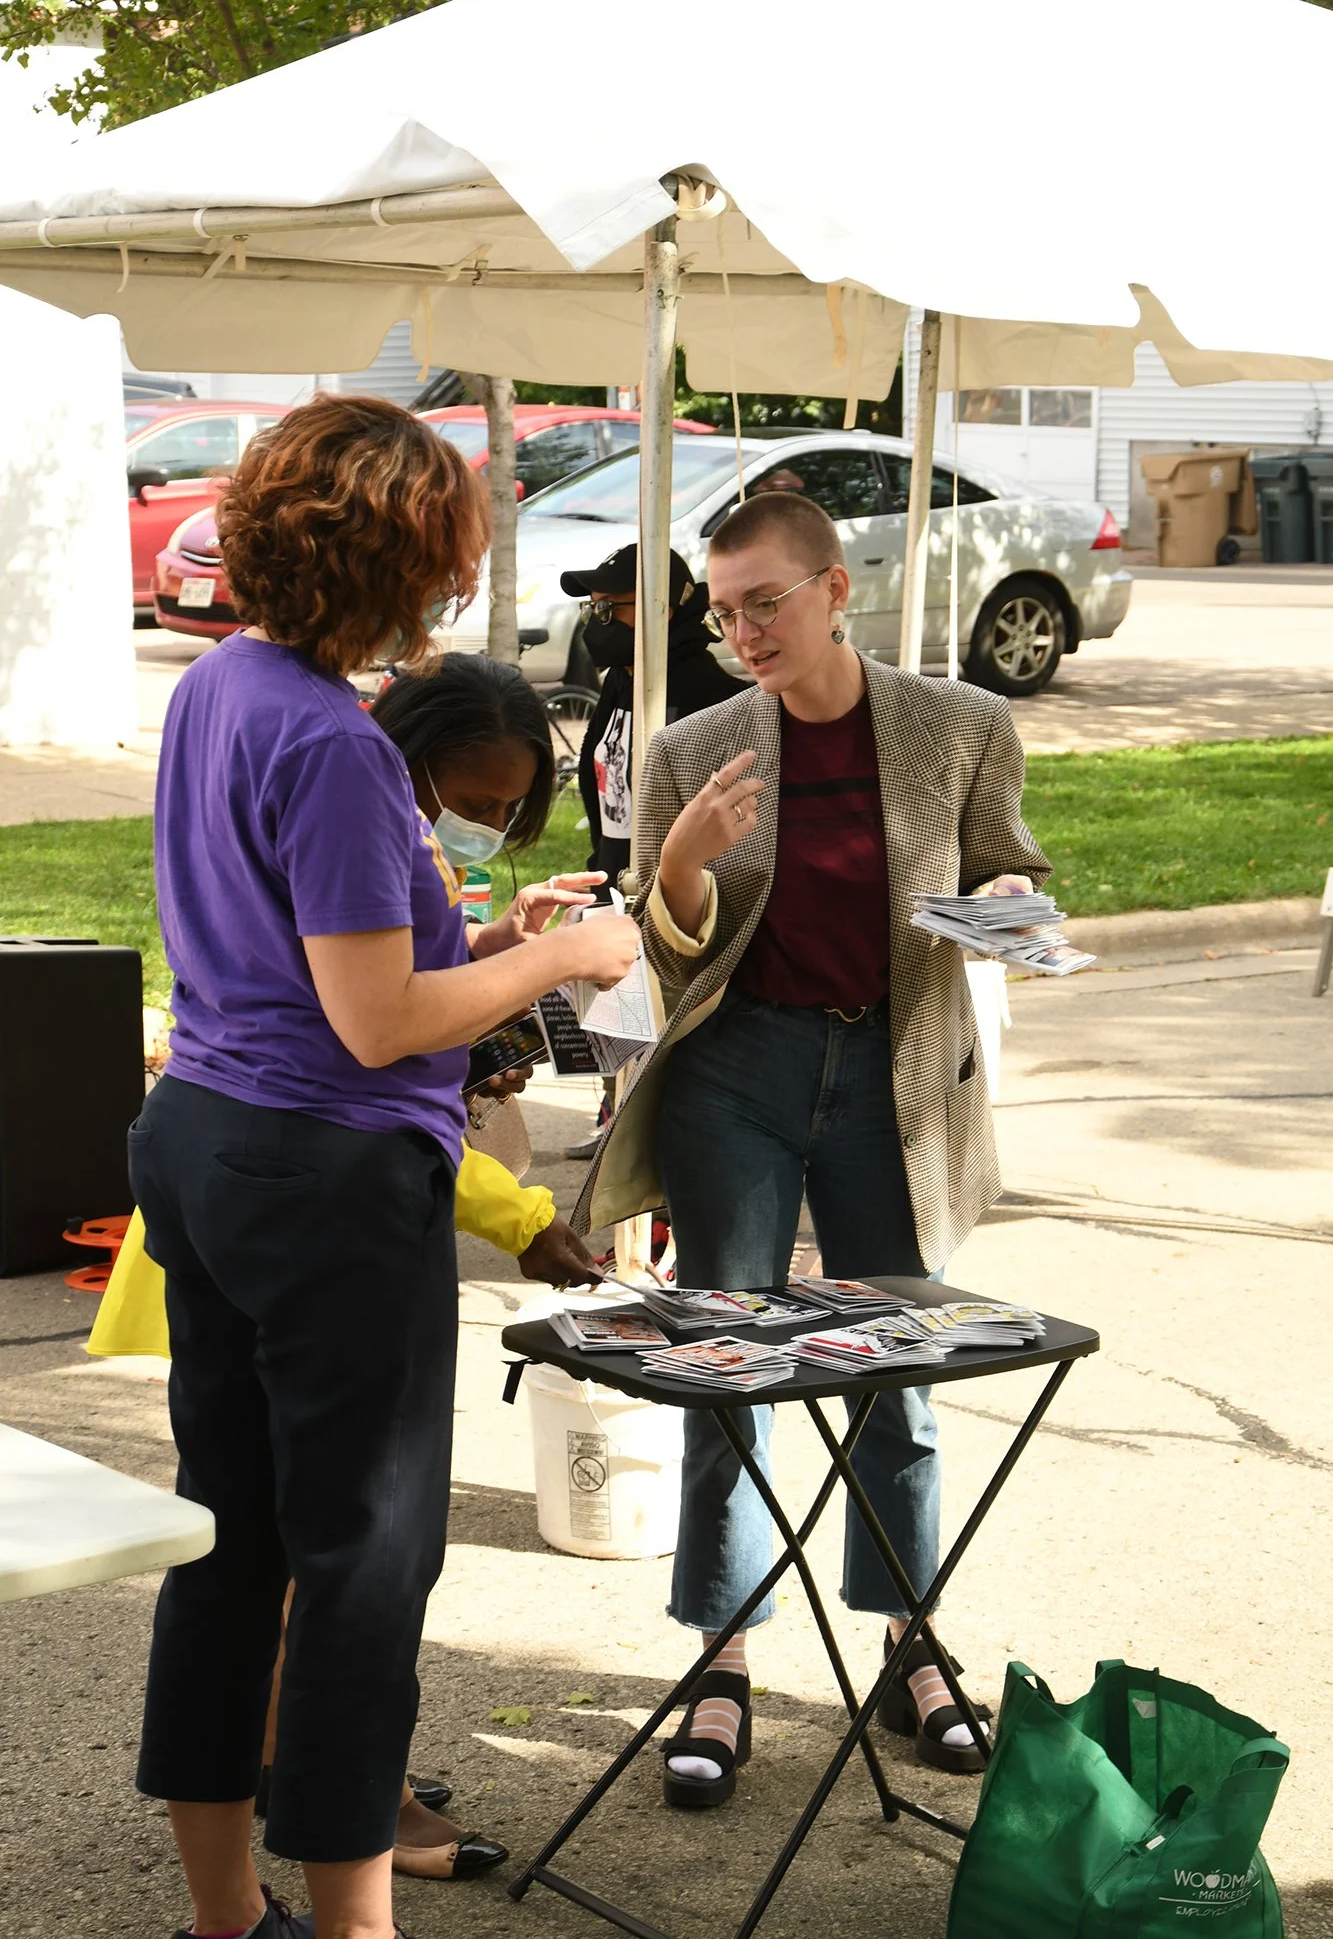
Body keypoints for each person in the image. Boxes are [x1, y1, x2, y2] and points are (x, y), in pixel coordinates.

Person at [130, 394, 639, 1939]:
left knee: (229, 1541)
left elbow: (324, 957)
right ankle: (355, 1924)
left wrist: (482, 935)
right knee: (362, 1567)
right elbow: (374, 1025)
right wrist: (572, 962)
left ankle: (230, 1919)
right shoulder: (341, 746)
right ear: (404, 566)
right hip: (327, 1182)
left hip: (205, 1142)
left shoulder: (221, 686)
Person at [572, 490, 1047, 1809]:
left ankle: (910, 1647)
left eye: (764, 603)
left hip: (893, 1070)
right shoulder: (696, 746)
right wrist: (674, 863)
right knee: (730, 1351)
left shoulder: (961, 725)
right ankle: (721, 1658)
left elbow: (1008, 878)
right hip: (742, 1070)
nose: (743, 633)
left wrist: (1010, 901)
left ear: (839, 589)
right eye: (724, 614)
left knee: (899, 1366)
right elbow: (663, 947)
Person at [561, 543, 741, 1161]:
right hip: (617, 876)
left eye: (614, 607)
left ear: (664, 611)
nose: (599, 621)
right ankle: (617, 1113)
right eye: (594, 607)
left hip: (684, 898)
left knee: (673, 1028)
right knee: (616, 1016)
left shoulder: (709, 696)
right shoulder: (619, 683)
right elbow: (602, 777)